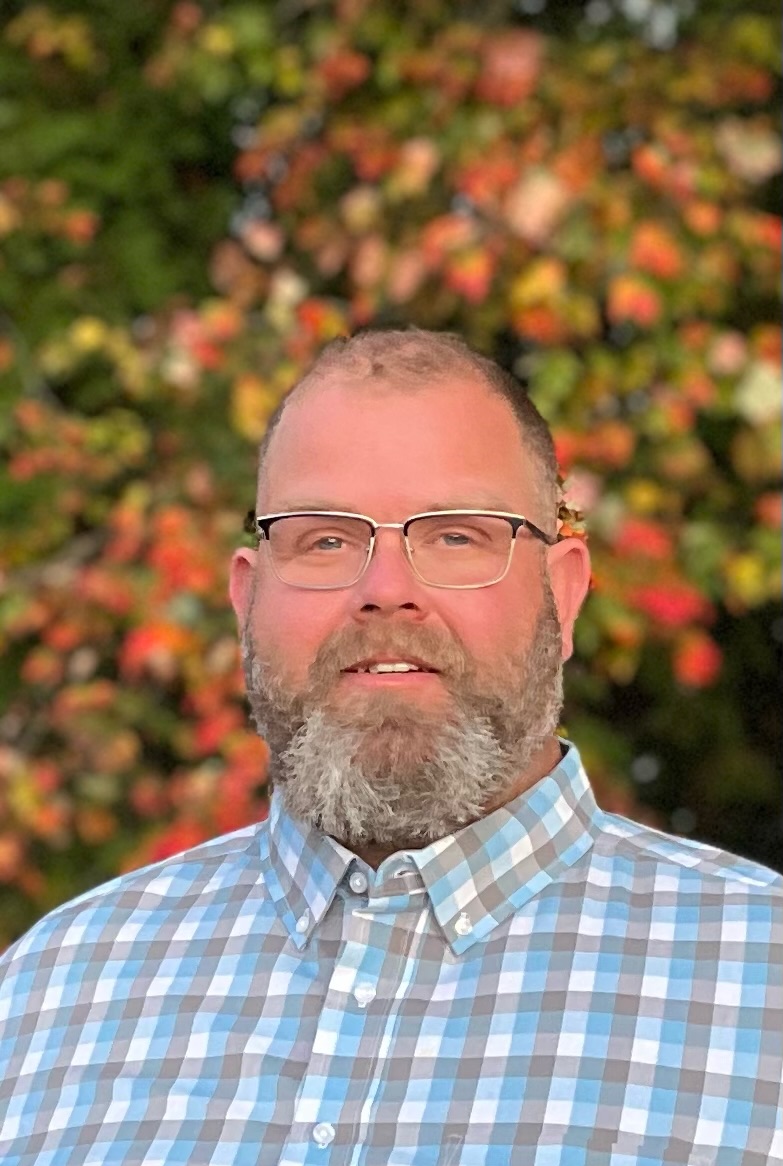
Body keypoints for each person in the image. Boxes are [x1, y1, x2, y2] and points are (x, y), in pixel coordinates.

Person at [0, 329, 780, 1166]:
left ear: (563, 593)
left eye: (454, 536)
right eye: (325, 539)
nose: (386, 592)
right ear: (246, 599)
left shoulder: (760, 980)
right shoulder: (47, 993)